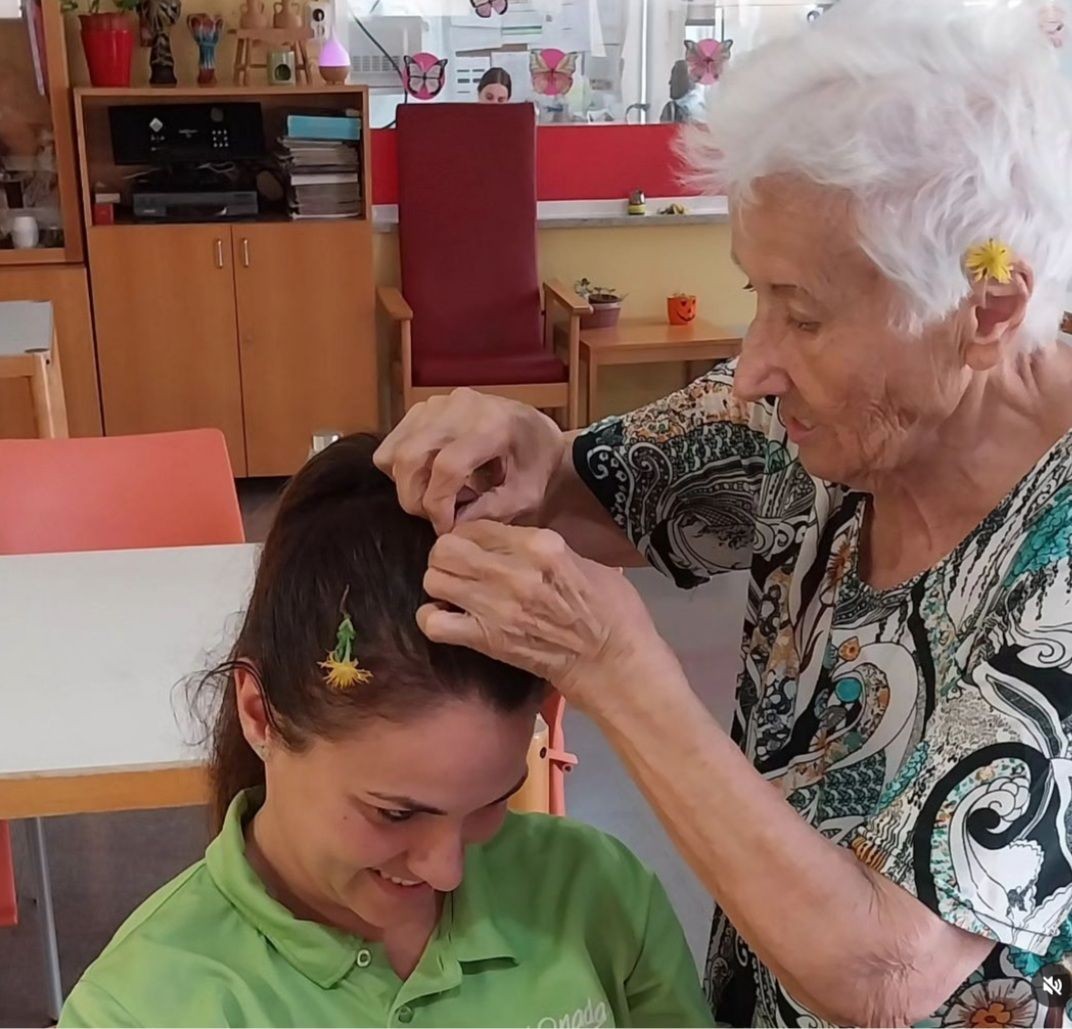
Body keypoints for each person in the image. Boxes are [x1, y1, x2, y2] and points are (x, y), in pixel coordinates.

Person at [373, 1, 1072, 1025]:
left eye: (804, 313)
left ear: (987, 310)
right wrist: (530, 451)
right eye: (756, 294)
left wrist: (618, 670)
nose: (752, 368)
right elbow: (595, 487)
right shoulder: (813, 422)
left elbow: (886, 973)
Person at [58, 435, 712, 1028]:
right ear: (261, 714)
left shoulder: (595, 894)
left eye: (491, 803)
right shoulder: (141, 1006)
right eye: (396, 812)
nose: (447, 870)